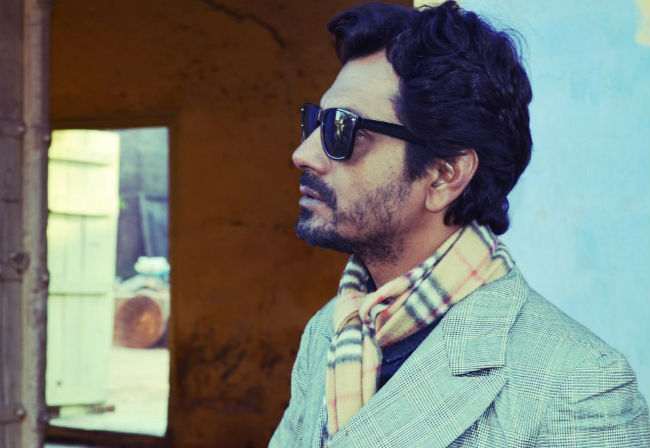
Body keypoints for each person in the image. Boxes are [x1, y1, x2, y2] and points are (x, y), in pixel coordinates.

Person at [270, 2, 650, 447]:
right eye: (315, 122)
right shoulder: (330, 332)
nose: (303, 155)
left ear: (444, 175)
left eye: (342, 129)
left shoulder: (580, 384)